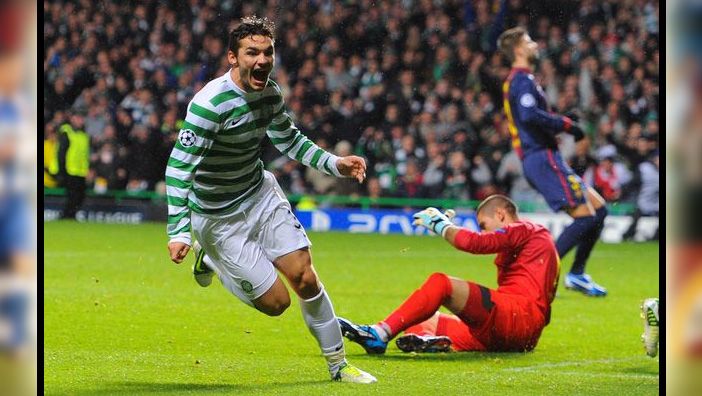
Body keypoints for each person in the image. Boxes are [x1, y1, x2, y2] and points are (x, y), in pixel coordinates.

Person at [165, 16, 375, 383]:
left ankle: (339, 366)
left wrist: (335, 164)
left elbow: (289, 139)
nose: (262, 60)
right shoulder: (208, 105)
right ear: (233, 57)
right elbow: (178, 170)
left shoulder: (270, 93)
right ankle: (210, 258)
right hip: (218, 217)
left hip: (260, 195)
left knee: (305, 278)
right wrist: (180, 231)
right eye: (252, 53)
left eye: (268, 52)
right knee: (277, 304)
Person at [338, 195, 559, 353]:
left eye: (484, 224)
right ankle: (428, 342)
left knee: (441, 283)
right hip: (521, 334)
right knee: (419, 317)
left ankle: (379, 334)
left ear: (501, 214)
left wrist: (440, 224)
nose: (482, 230)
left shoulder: (526, 229)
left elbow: (474, 242)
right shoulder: (538, 244)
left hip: (518, 316)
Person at [497, 27, 609, 296]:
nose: (535, 44)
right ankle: (538, 275)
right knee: (585, 217)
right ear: (519, 50)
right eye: (529, 40)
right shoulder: (521, 80)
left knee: (599, 209)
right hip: (540, 157)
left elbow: (531, 116)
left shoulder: (523, 80)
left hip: (546, 155)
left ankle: (577, 273)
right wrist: (567, 124)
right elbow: (528, 116)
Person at [52, 112, 90, 220]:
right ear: (72, 119)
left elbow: (85, 154)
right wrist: (61, 171)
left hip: (80, 171)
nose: (80, 121)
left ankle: (70, 215)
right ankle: (67, 215)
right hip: (69, 170)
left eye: (81, 118)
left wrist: (87, 169)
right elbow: (61, 153)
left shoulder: (83, 135)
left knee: (80, 196)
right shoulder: (67, 132)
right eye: (78, 118)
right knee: (72, 196)